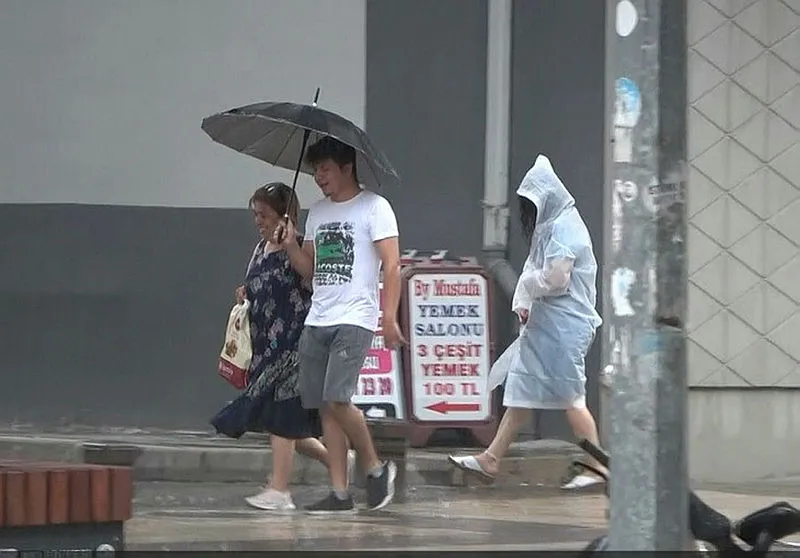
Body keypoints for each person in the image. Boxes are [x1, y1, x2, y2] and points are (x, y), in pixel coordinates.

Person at [449, 154, 607, 490]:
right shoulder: (554, 226)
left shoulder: (565, 227)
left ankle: (597, 466)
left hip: (565, 327)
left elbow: (557, 278)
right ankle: (490, 459)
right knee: (521, 389)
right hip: (547, 325)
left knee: (570, 395)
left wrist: (527, 286)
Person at [276, 136, 404, 514]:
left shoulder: (375, 208)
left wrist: (389, 316)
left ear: (347, 168)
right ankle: (339, 493)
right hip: (319, 317)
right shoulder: (317, 213)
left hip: (355, 318)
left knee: (338, 398)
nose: (319, 177)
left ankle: (376, 468)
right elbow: (310, 271)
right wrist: (289, 245)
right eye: (316, 170)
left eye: (326, 169)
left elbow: (393, 265)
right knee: (325, 408)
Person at [212, 182, 346, 511]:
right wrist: (245, 292)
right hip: (264, 345)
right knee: (283, 423)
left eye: (264, 214)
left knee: (282, 416)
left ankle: (280, 489)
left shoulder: (299, 246)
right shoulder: (260, 248)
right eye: (255, 214)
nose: (258, 220)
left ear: (283, 215)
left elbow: (311, 279)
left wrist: (290, 246)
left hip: (294, 344)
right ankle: (338, 463)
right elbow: (258, 283)